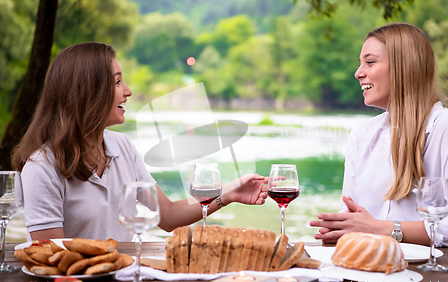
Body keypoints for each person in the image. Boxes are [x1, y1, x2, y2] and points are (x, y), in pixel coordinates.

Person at [12, 42, 268, 242]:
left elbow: (166, 215)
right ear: (87, 92)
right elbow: (52, 257)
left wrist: (229, 192)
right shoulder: (41, 167)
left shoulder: (121, 146)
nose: (128, 90)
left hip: (124, 280)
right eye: (117, 82)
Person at [309, 22, 448, 247]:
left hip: (425, 276)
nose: (358, 73)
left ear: (403, 67)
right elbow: (354, 214)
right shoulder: (361, 135)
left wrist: (386, 229)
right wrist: (338, 226)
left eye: (370, 62)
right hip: (363, 269)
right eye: (360, 64)